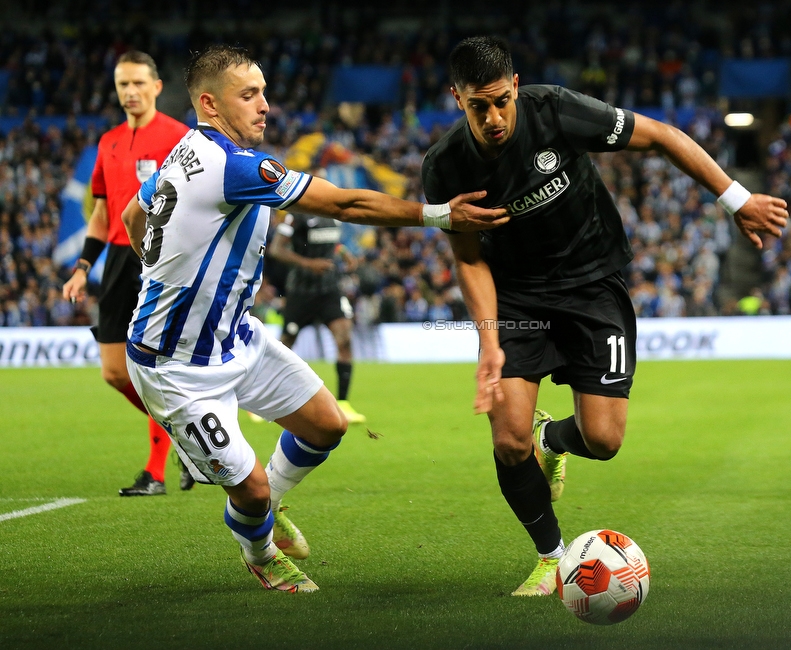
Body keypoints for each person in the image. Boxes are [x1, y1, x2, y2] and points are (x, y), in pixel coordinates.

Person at [120, 45, 507, 593]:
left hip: (236, 337)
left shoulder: (185, 150)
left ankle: (267, 509)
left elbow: (133, 214)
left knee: (326, 424)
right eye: (248, 95)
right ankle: (257, 547)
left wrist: (161, 271)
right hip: (175, 366)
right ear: (209, 103)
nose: (265, 106)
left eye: (263, 92)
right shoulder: (232, 166)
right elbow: (345, 205)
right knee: (248, 491)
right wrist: (439, 214)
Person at [421, 36, 789, 596]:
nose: (494, 117)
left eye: (501, 100)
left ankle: (557, 442)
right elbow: (468, 258)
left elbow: (662, 136)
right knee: (507, 438)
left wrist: (736, 200)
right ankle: (552, 557)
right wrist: (489, 339)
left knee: (604, 439)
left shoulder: (557, 111)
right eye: (478, 106)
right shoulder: (445, 165)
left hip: (593, 286)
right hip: (517, 298)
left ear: (516, 86)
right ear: (457, 98)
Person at [62, 51, 194, 496]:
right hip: (119, 260)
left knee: (156, 367)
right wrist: (82, 267)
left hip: (164, 258)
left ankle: (155, 471)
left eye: (139, 83)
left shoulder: (180, 138)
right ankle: (185, 435)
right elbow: (102, 213)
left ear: (157, 86)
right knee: (115, 372)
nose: (130, 92)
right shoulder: (109, 142)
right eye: (123, 85)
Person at [269, 212, 365, 423]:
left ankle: (343, 404)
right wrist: (309, 264)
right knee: (285, 345)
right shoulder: (295, 216)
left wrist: (343, 252)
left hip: (330, 289)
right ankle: (263, 400)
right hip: (301, 292)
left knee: (345, 340)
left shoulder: (333, 214)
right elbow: (276, 249)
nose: (320, 176)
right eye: (316, 175)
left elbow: (332, 241)